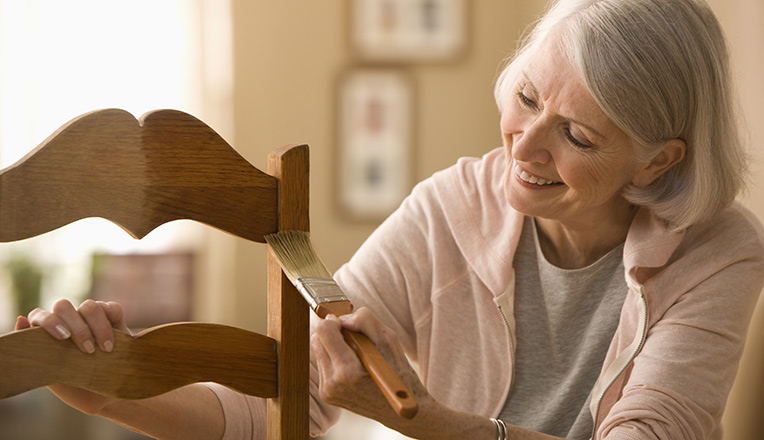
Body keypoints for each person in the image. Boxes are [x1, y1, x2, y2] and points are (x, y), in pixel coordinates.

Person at [15, 0, 764, 438]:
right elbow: (279, 406)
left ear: (658, 162)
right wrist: (116, 392)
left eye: (578, 135)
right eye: (528, 99)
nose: (524, 147)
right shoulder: (448, 209)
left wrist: (424, 421)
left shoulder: (720, 251)